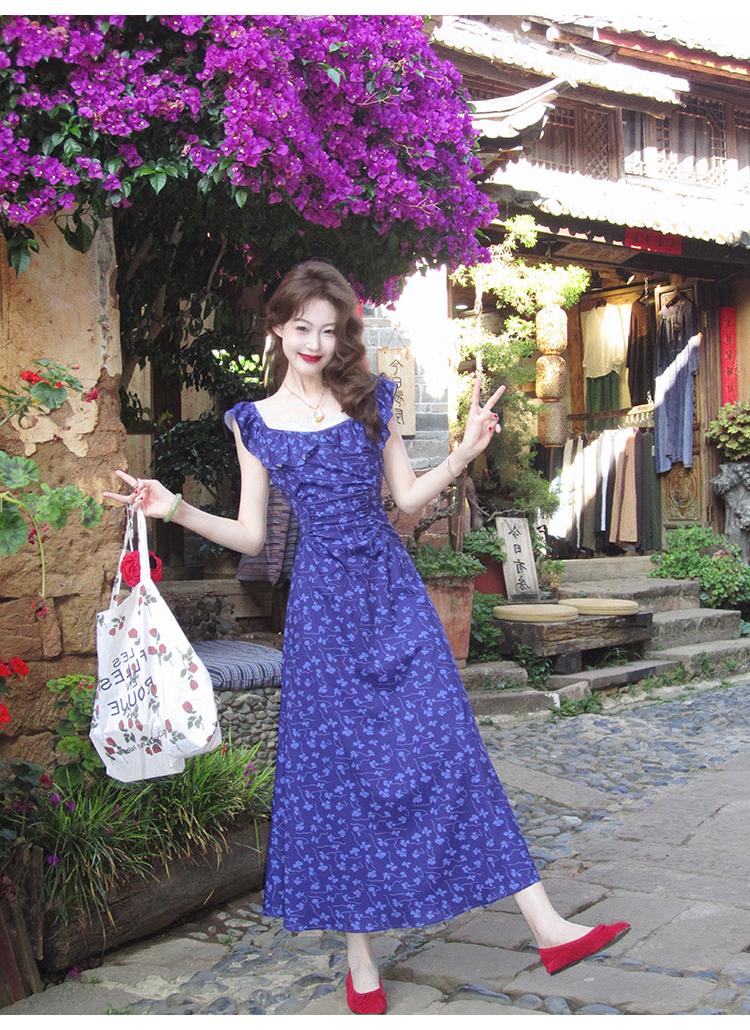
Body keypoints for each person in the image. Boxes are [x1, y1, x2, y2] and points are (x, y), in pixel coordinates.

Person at [105, 260, 629, 1015]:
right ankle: (361, 963)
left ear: (341, 334)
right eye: (302, 328)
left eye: (329, 329)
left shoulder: (370, 397)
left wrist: (464, 452)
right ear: (277, 329)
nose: (315, 343)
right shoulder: (252, 422)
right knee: (337, 773)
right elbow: (252, 535)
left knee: (449, 743)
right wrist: (175, 509)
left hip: (393, 595)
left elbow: (407, 499)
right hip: (322, 614)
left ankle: (547, 927)